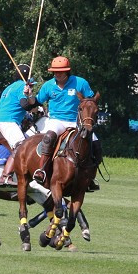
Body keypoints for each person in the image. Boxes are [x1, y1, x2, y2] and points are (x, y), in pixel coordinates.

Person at [25, 55, 103, 191]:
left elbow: (90, 102)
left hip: (77, 121)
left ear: (67, 71)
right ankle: (41, 170)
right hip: (57, 120)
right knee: (49, 137)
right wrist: (29, 95)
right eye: (55, 71)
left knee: (96, 144)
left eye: (60, 71)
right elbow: (35, 102)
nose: (57, 74)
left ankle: (90, 177)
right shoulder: (48, 85)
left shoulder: (80, 83)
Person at [0, 64, 36, 186]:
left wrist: (30, 97)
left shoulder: (9, 88)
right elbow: (25, 106)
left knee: (10, 147)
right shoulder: (22, 86)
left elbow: (31, 107)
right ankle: (5, 176)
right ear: (27, 78)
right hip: (8, 121)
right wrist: (28, 96)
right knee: (21, 145)